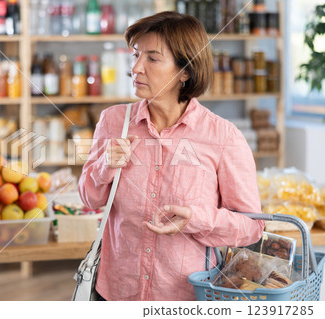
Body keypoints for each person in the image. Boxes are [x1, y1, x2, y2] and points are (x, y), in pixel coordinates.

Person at [78, 11, 264, 301]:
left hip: (185, 296)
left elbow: (252, 227)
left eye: (152, 58)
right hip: (115, 291)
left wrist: (197, 219)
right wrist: (106, 165)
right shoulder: (114, 121)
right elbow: (89, 199)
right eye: (136, 55)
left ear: (185, 71)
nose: (136, 68)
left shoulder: (223, 137)